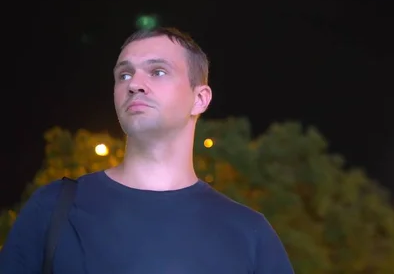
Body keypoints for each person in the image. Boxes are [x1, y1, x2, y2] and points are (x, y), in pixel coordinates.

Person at [0, 27, 295, 274]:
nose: (135, 85)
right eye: (124, 75)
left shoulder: (250, 234)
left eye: (158, 71)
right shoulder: (53, 208)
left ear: (200, 99)